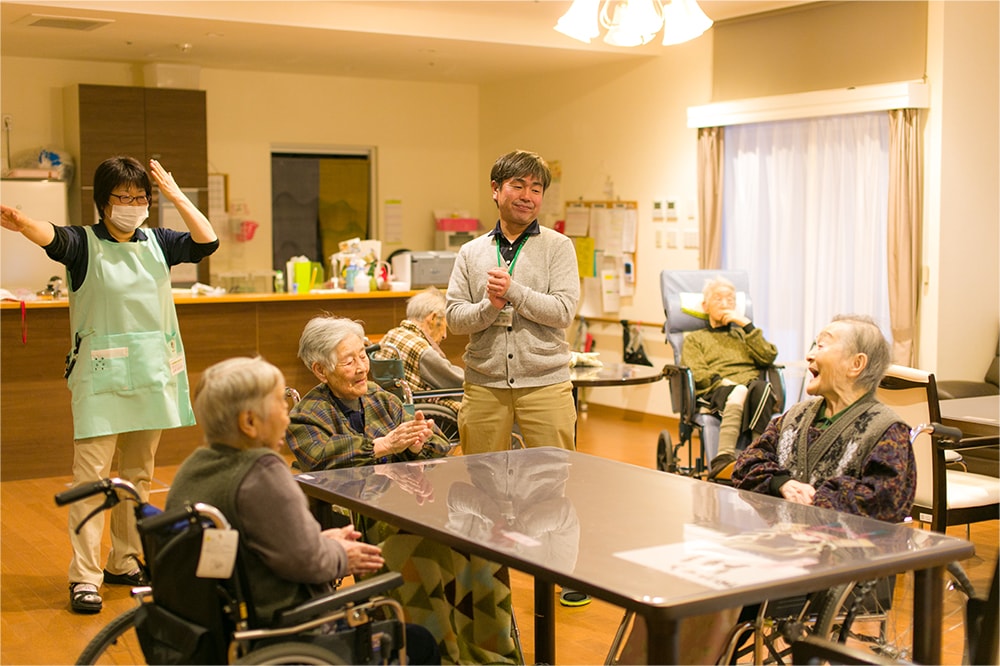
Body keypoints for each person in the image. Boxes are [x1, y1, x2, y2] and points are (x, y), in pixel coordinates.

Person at [1, 156, 218, 615]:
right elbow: (50, 235)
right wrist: (23, 223)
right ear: (102, 202)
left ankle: (123, 559)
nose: (132, 205)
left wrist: (175, 194)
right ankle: (84, 576)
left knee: (137, 477)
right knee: (92, 480)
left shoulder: (159, 242)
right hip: (101, 378)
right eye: (122, 197)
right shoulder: (83, 243)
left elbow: (207, 241)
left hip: (151, 374)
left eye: (140, 197)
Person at [165, 357, 439, 665]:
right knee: (419, 642)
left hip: (217, 625)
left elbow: (266, 543)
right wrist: (340, 554)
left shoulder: (193, 468)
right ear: (249, 423)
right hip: (286, 631)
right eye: (280, 405)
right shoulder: (261, 474)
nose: (288, 415)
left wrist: (322, 539)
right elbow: (309, 563)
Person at [286, 315, 520, 664]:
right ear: (321, 371)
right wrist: (381, 446)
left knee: (479, 535)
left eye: (363, 356)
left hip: (415, 505)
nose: (361, 367)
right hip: (364, 519)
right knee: (418, 554)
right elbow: (316, 457)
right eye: (349, 362)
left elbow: (439, 445)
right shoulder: (307, 416)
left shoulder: (382, 399)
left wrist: (416, 443)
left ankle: (489, 654)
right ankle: (439, 654)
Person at [445, 149, 580, 454]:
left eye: (536, 189)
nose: (527, 196)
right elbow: (453, 318)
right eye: (518, 186)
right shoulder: (471, 251)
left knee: (553, 478)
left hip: (545, 383)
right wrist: (489, 306)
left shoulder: (559, 247)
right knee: (481, 478)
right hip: (484, 385)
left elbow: (563, 312)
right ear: (496, 189)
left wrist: (514, 292)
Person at [732, 314, 915, 522]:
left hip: (851, 552)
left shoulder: (886, 429)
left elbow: (886, 501)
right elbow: (745, 466)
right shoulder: (795, 417)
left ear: (856, 364)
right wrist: (782, 483)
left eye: (821, 346)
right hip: (786, 547)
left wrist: (814, 497)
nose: (809, 355)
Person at [682, 276, 779, 480]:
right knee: (741, 390)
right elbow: (697, 372)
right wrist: (727, 383)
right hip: (718, 389)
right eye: (718, 299)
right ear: (705, 305)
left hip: (751, 389)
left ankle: (757, 453)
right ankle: (723, 458)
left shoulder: (743, 335)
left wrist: (746, 325)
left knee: (764, 389)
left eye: (731, 300)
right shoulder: (695, 338)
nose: (726, 304)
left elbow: (769, 356)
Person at [377, 286, 463, 414]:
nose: (445, 335)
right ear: (433, 318)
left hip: (393, 406)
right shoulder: (422, 350)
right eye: (445, 325)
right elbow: (457, 381)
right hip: (418, 407)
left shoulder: (390, 336)